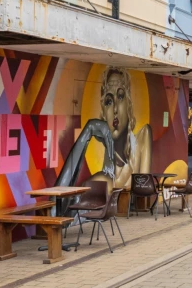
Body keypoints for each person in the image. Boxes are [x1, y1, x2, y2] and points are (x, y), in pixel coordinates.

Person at [56, 67, 153, 196]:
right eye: (109, 101)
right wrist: (88, 130)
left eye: (120, 96)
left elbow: (144, 195)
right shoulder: (103, 179)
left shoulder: (142, 138)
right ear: (104, 115)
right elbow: (56, 206)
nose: (115, 109)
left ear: (129, 105)